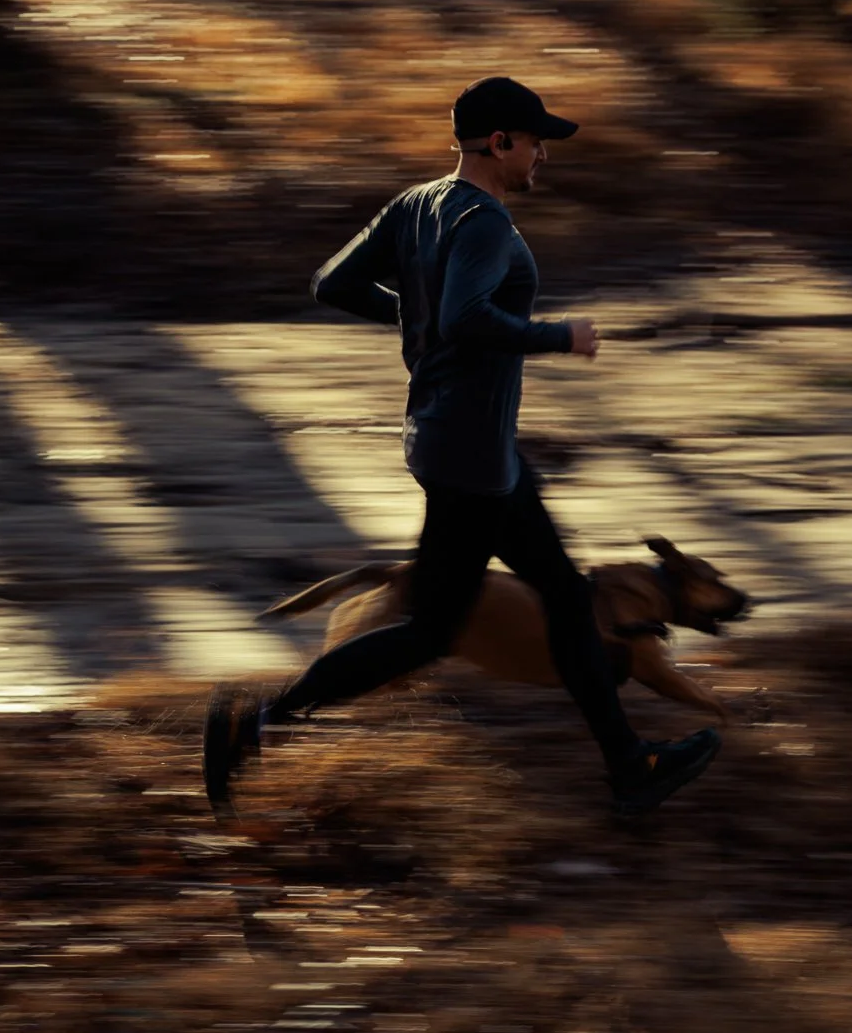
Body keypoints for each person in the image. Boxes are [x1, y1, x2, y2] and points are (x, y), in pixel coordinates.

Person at [204, 76, 721, 817]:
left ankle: (631, 767)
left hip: (463, 445)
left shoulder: (416, 204)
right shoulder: (483, 224)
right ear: (499, 143)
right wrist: (557, 337)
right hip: (472, 458)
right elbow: (468, 314)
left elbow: (334, 283)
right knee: (430, 631)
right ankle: (254, 725)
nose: (544, 154)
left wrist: (415, 319)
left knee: (567, 598)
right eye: (536, 141)